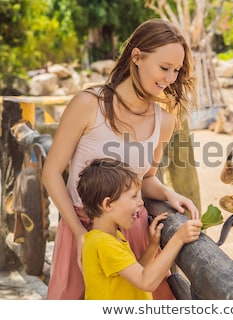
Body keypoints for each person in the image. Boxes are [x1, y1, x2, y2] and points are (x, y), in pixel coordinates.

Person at [42, 18, 200, 299]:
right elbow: (51, 173)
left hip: (133, 229)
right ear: (136, 57)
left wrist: (168, 193)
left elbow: (146, 178)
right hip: (82, 226)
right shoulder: (88, 104)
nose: (171, 79)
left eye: (176, 70)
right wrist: (80, 234)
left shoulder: (164, 120)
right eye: (164, 68)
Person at [77, 158, 201, 300]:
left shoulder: (110, 236)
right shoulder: (103, 243)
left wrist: (152, 246)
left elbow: (134, 273)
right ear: (108, 204)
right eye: (133, 196)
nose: (141, 202)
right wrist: (178, 239)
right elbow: (145, 282)